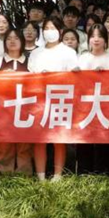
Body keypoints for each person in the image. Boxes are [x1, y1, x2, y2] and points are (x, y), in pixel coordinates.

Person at [29, 17, 79, 181]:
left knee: (59, 138)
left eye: (53, 28)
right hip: (39, 100)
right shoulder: (36, 53)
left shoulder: (68, 52)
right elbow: (29, 76)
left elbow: (74, 77)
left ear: (60, 31)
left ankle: (58, 176)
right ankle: (41, 176)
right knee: (39, 139)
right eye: (46, 28)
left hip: (60, 99)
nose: (49, 31)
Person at [0, 28, 33, 175]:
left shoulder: (30, 61)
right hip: (3, 107)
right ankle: (4, 171)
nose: (12, 41)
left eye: (16, 38)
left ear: (22, 41)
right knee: (4, 140)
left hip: (25, 106)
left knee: (24, 141)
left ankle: (24, 173)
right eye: (9, 38)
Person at [75, 24, 109, 175]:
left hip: (105, 107)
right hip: (85, 107)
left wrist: (105, 75)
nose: (96, 40)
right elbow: (75, 83)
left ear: (105, 40)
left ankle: (103, 171)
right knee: (84, 137)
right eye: (93, 36)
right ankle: (84, 171)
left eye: (100, 36)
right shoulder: (82, 58)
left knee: (104, 137)